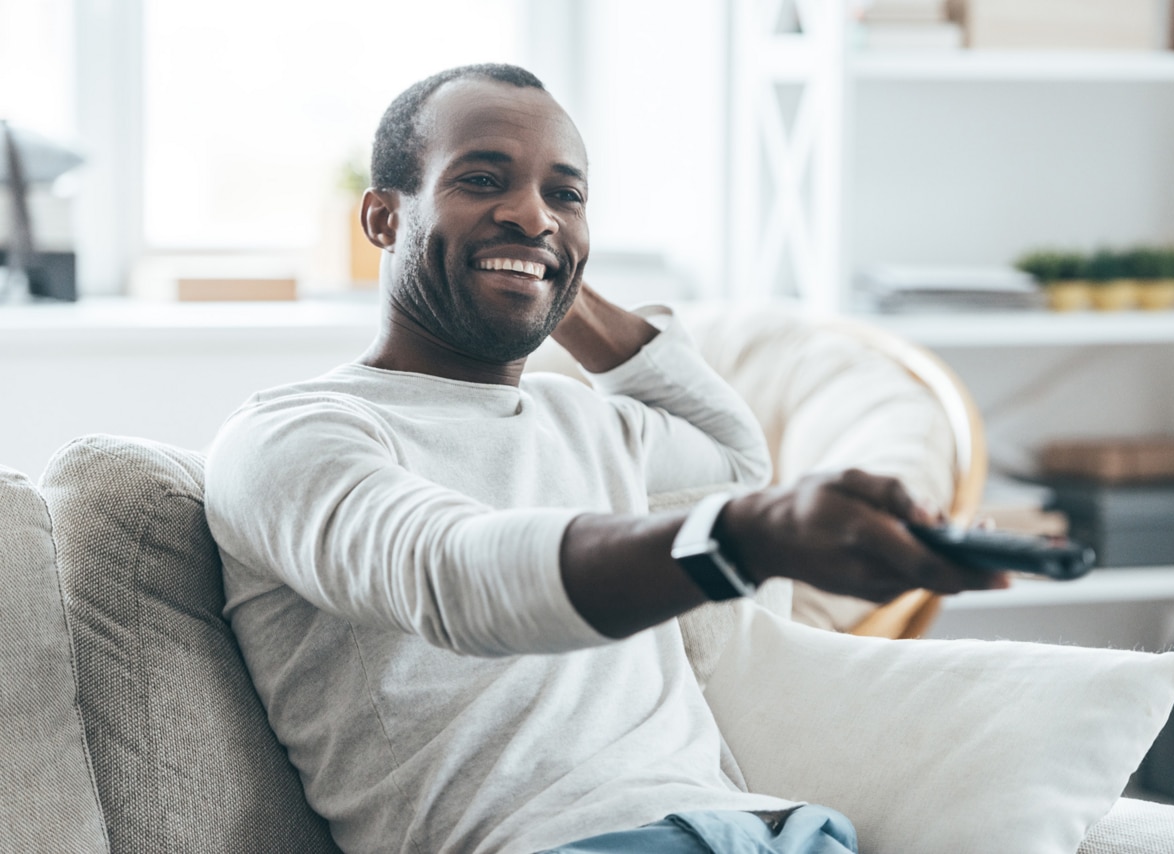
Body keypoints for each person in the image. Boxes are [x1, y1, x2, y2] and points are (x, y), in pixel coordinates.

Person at [204, 63, 1004, 854]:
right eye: (482, 179)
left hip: (773, 832)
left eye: (566, 192)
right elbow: (459, 580)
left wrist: (543, 266)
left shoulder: (583, 419)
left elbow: (733, 458)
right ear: (382, 218)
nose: (531, 210)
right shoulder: (293, 435)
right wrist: (746, 538)